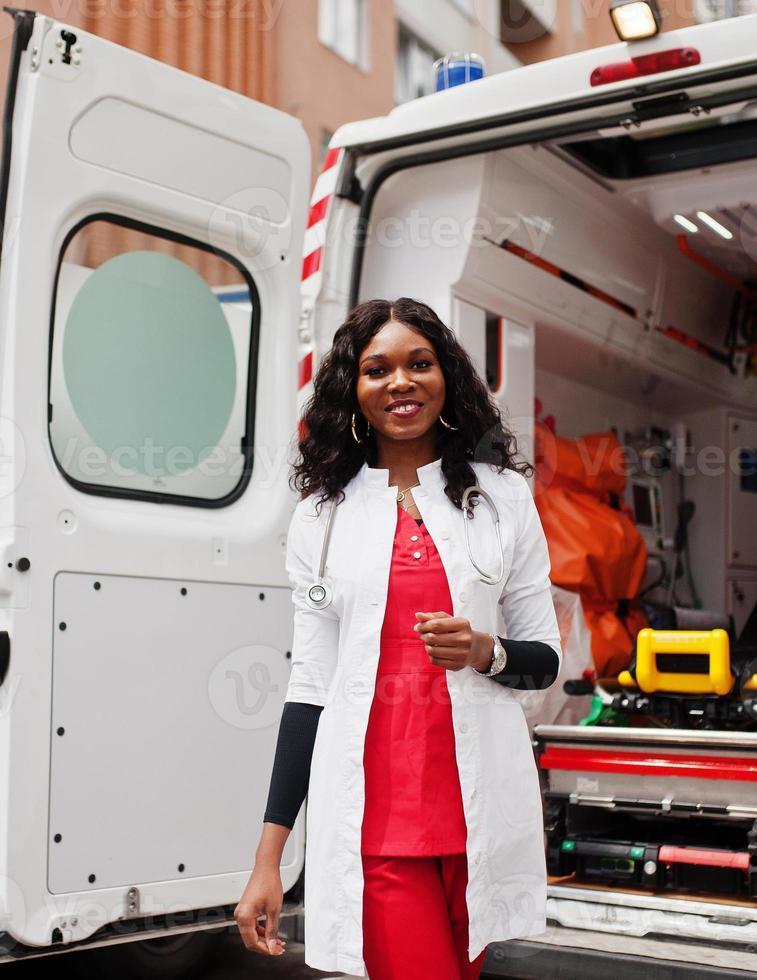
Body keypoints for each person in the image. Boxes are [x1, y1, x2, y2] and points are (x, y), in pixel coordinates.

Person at [234, 297, 562, 978]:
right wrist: (269, 859)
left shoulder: (501, 500)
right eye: (376, 369)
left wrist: (486, 651)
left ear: (448, 379)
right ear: (351, 392)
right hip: (376, 827)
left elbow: (544, 661)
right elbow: (308, 689)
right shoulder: (321, 519)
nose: (400, 382)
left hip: (477, 821)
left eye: (419, 364)